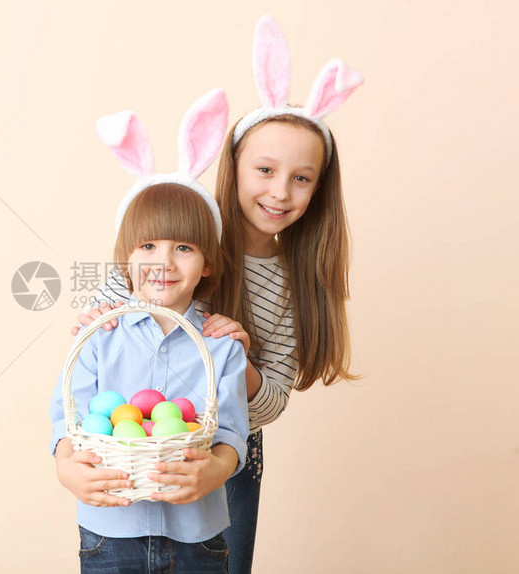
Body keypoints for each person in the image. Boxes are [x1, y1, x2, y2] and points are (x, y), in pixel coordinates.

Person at [72, 15, 363, 573]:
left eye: (302, 178)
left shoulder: (296, 278)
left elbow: (273, 399)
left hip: (225, 449)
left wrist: (239, 360)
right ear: (231, 166)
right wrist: (101, 314)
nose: (280, 191)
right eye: (264, 169)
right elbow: (122, 287)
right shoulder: (190, 234)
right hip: (143, 434)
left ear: (319, 189)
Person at [51, 91, 252, 572]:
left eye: (184, 246)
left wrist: (216, 471)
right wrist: (65, 468)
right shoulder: (101, 333)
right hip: (110, 530)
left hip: (198, 535)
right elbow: (69, 414)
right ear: (127, 259)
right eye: (147, 245)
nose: (162, 262)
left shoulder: (221, 346)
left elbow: (231, 433)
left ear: (207, 264)